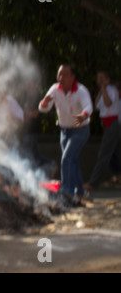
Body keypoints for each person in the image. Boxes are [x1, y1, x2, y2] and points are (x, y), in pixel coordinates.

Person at [38, 64, 93, 207]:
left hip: (81, 130)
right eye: (59, 74)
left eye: (65, 74)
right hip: (64, 131)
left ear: (73, 77)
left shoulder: (81, 91)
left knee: (67, 158)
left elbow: (89, 106)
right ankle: (80, 191)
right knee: (72, 160)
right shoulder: (55, 89)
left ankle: (67, 191)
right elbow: (43, 108)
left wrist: (83, 115)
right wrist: (45, 102)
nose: (61, 78)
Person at [84, 71, 121, 192]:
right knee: (115, 153)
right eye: (97, 78)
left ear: (107, 79)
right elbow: (96, 106)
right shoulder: (103, 90)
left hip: (112, 124)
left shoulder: (112, 90)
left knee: (104, 154)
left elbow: (108, 103)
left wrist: (104, 89)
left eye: (102, 78)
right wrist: (101, 90)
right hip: (105, 124)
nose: (99, 80)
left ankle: (93, 183)